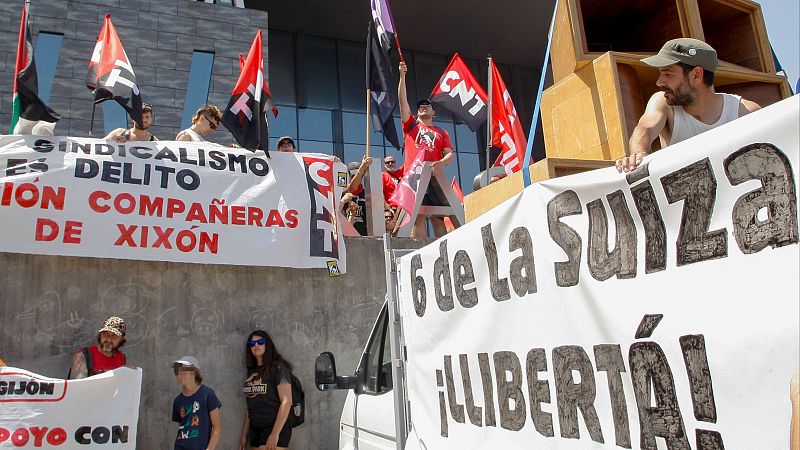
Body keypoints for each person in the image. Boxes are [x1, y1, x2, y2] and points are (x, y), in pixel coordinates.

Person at [616, 38, 760, 172]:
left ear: (696, 75)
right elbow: (645, 128)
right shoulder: (663, 103)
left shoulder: (745, 112)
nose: (659, 82)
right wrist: (638, 155)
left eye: (668, 74)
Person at [398, 61, 454, 237]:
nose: (423, 107)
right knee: (417, 217)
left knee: (438, 217)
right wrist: (402, 76)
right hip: (414, 176)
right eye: (420, 106)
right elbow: (402, 102)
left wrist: (441, 163)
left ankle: (445, 247)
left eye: (427, 106)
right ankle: (420, 249)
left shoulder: (441, 132)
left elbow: (450, 154)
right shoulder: (411, 125)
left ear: (433, 112)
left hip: (434, 176)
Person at [240, 330, 293, 450]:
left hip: (274, 426)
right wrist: (244, 434)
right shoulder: (251, 372)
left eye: (260, 342)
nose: (256, 346)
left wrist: (275, 434)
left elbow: (287, 401)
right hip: (255, 429)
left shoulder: (277, 368)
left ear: (267, 344)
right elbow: (250, 405)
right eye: (252, 344)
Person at [171, 356, 222, 450]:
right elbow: (183, 427)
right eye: (177, 371)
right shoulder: (177, 401)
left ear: (193, 372)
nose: (179, 374)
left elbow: (217, 428)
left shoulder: (208, 394)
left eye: (183, 370)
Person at [342, 156, 373, 236]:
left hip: (363, 235)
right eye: (352, 175)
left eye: (357, 175)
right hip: (346, 235)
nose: (355, 177)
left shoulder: (366, 194)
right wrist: (362, 168)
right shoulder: (342, 191)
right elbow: (352, 188)